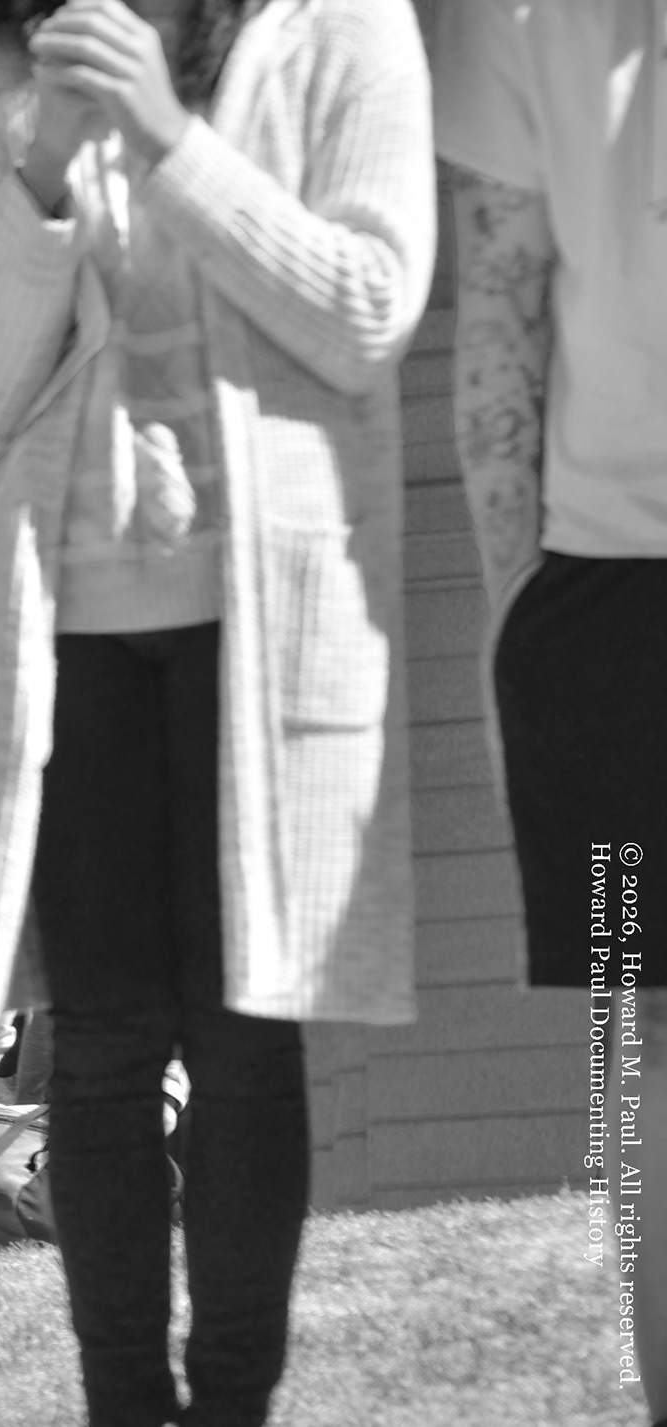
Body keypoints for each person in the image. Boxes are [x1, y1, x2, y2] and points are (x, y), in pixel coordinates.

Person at [0, 0, 433, 1421]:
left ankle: (237, 1404)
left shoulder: (348, 34)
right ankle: (126, 1402)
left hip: (270, 620)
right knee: (103, 1037)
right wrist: (46, 172)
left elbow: (368, 309)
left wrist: (169, 138)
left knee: (249, 1031)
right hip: (65, 626)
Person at [434, 3, 667, 1416]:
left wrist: (515, 598)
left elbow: (499, 315)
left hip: (593, 604)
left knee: (651, 1058)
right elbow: (505, 311)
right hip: (592, 601)